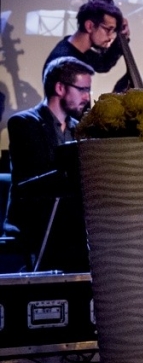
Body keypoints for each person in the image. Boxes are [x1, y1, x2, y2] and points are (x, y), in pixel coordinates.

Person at [3, 56, 93, 272]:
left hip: (70, 227)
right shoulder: (24, 124)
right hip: (36, 223)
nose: (87, 97)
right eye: (82, 89)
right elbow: (34, 180)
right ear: (60, 88)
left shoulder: (81, 129)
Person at [43, 0, 128, 84]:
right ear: (89, 26)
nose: (110, 37)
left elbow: (104, 64)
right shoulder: (67, 63)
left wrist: (122, 37)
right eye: (108, 30)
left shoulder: (78, 48)